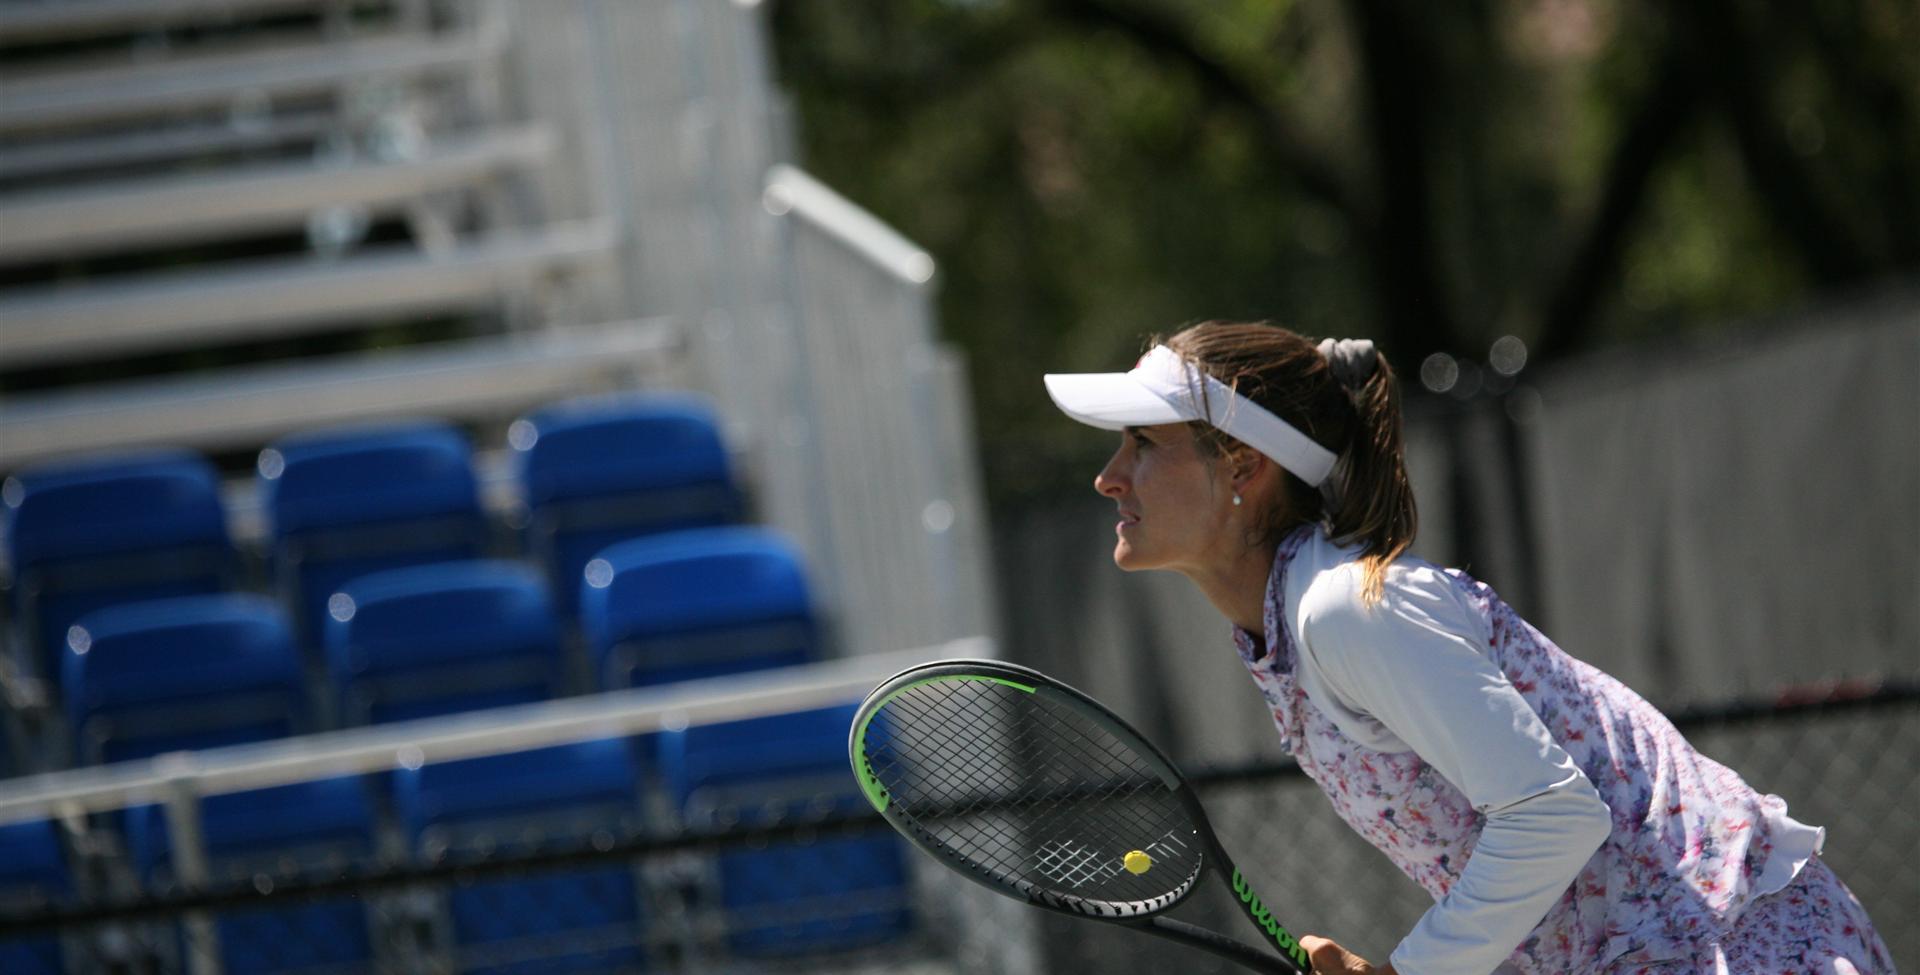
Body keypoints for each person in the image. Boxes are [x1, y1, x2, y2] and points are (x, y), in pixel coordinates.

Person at [1042, 321, 1893, 975]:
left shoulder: (1342, 610)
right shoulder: (1295, 622)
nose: (1108, 475)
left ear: (1242, 467)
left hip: (1745, 942)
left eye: (1144, 442)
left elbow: (1552, 814)